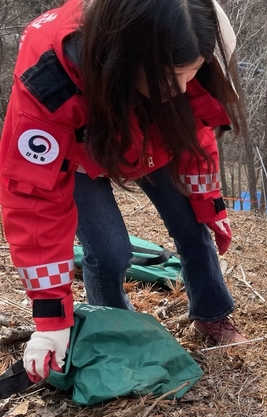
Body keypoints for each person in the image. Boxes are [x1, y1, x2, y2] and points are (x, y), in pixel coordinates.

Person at [0, 0, 247, 383]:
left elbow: (195, 131)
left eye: (194, 71)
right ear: (129, 56)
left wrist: (210, 204)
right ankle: (118, 331)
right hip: (81, 154)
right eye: (174, 76)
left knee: (193, 226)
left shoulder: (184, 44)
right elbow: (32, 197)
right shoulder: (49, 78)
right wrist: (51, 320)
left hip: (153, 142)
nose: (184, 87)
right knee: (109, 253)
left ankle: (211, 313)